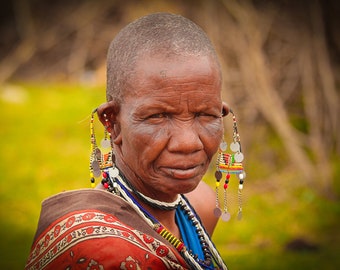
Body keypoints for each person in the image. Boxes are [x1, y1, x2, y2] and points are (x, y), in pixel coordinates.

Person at [25, 12, 240, 270]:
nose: (188, 143)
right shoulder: (101, 253)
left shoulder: (199, 205)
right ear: (112, 122)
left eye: (205, 115)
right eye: (158, 116)